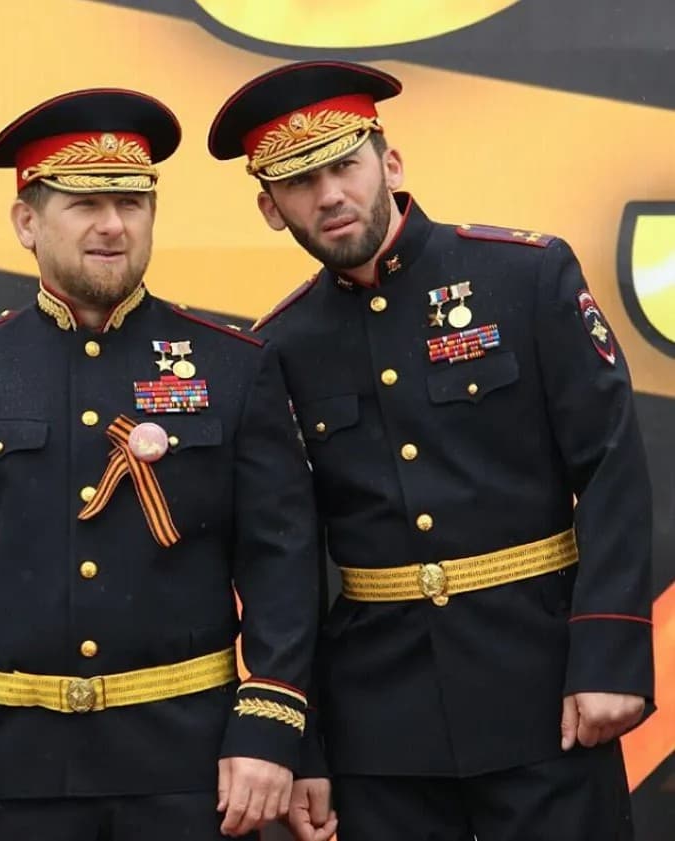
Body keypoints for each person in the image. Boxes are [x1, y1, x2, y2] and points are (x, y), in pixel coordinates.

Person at [207, 61, 654, 841]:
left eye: (344, 165)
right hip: (380, 725)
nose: (330, 195)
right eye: (300, 182)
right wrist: (306, 743)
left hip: (545, 690)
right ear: (271, 208)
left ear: (390, 162)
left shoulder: (525, 275)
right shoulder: (277, 347)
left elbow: (612, 465)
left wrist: (610, 654)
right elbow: (284, 556)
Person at [0, 87, 320, 841]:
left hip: (197, 771)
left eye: (132, 202)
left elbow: (284, 557)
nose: (113, 225)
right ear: (27, 222)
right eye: (85, 203)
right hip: (11, 773)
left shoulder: (234, 364)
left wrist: (270, 722)